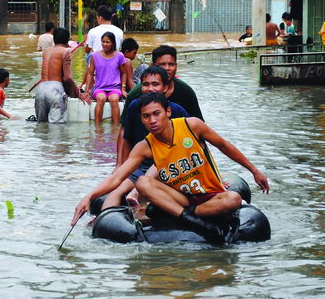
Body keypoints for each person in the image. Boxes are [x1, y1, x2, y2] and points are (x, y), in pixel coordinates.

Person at [72, 92, 269, 244]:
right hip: (181, 198)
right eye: (146, 116)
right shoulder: (145, 146)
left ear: (167, 112)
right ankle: (191, 220)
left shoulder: (192, 126)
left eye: (157, 113)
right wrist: (88, 197)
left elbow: (224, 146)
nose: (152, 120)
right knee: (142, 182)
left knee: (233, 198)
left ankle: (176, 212)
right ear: (141, 120)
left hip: (210, 195)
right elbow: (117, 178)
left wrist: (254, 171)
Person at [101, 66, 189, 210]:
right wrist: (120, 166)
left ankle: (137, 194)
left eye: (155, 84)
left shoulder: (177, 111)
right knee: (117, 190)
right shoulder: (135, 107)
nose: (150, 88)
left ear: (165, 88)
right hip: (142, 165)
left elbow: (194, 144)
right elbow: (126, 136)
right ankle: (102, 218)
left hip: (171, 166)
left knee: (159, 165)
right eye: (146, 84)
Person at [36, 27, 90, 123]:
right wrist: (78, 93)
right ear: (67, 40)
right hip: (55, 90)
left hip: (40, 89)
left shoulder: (46, 52)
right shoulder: (66, 52)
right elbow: (67, 78)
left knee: (42, 126)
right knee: (57, 128)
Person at [85, 32, 126, 124]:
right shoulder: (94, 55)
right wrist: (87, 89)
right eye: (103, 42)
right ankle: (97, 128)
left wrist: (123, 88)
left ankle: (115, 128)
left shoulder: (119, 56)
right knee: (101, 99)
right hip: (100, 88)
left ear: (113, 43)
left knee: (114, 99)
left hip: (115, 88)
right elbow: (90, 73)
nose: (104, 44)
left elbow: (124, 73)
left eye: (107, 42)